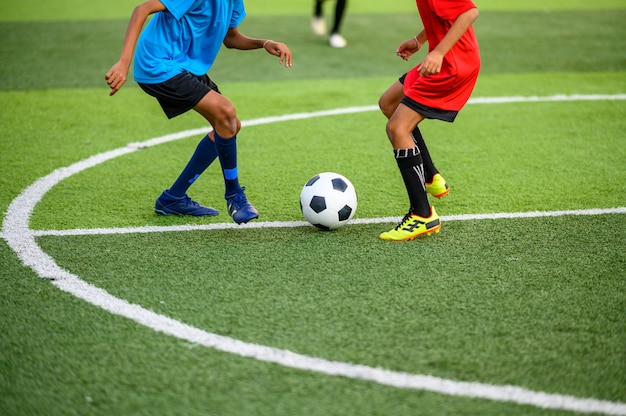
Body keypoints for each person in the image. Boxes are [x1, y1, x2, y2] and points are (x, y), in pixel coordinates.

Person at [105, 0, 292, 224]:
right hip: (158, 63)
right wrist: (124, 63)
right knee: (226, 112)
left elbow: (231, 39)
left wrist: (265, 43)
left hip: (184, 65)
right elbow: (142, 9)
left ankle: (172, 198)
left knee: (230, 126)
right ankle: (234, 195)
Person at [378, 0, 480, 241]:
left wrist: (439, 52)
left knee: (397, 128)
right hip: (447, 59)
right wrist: (419, 40)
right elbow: (444, 16)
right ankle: (430, 175)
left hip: (452, 66)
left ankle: (423, 215)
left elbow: (468, 12)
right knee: (389, 103)